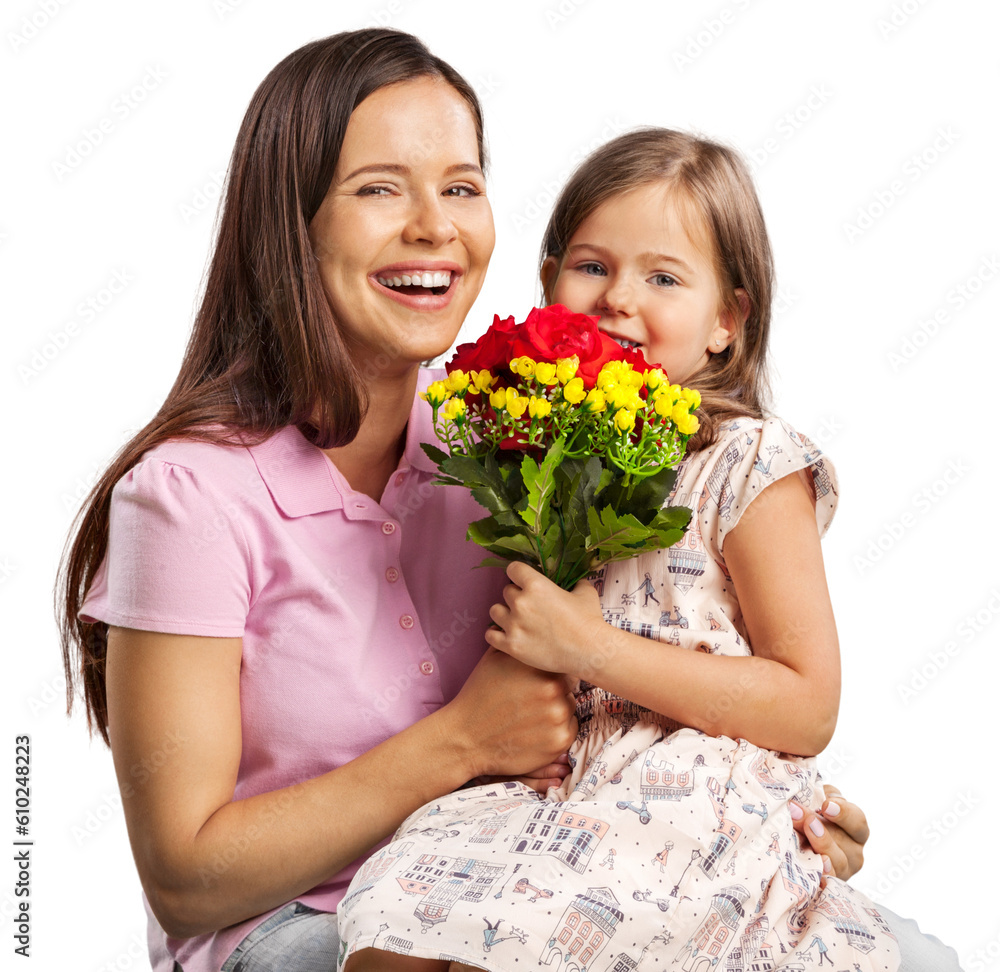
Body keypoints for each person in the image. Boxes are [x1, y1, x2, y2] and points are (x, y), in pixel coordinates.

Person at [56, 30, 870, 972]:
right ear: (291, 221)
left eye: (460, 185)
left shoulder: (517, 449)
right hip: (298, 926)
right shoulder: (186, 496)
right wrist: (460, 744)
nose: (434, 226)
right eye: (377, 187)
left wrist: (766, 832)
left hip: (535, 873)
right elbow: (184, 880)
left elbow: (678, 688)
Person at [336, 130, 961, 971]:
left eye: (663, 277)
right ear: (549, 280)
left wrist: (590, 648)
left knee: (518, 949)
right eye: (591, 266)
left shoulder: (749, 463)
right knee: (390, 928)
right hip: (550, 784)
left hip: (688, 805)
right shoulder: (539, 451)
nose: (619, 297)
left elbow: (807, 705)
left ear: (726, 323)